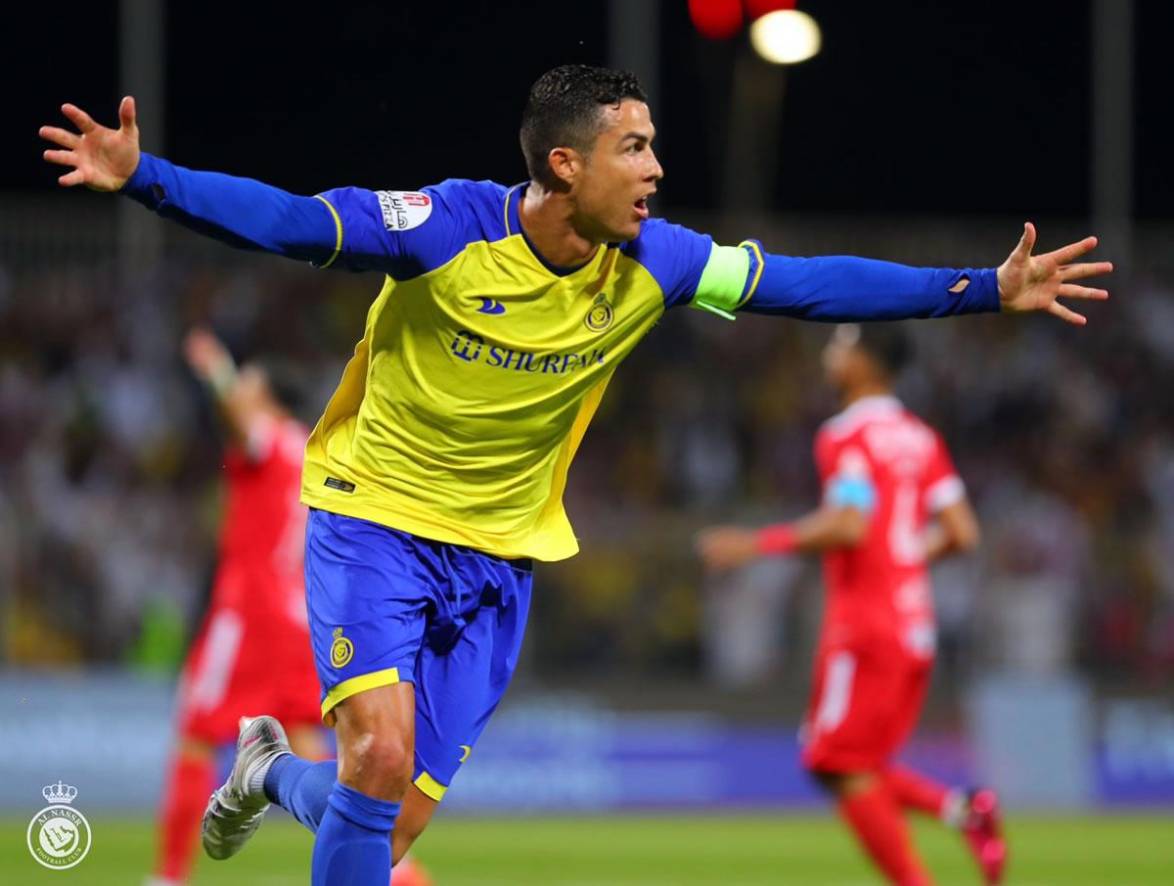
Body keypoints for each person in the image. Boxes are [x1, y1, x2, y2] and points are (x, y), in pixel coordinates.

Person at [41, 65, 1106, 885]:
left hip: (501, 556)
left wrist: (976, 288)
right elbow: (289, 220)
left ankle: (268, 773)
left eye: (653, 149)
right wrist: (147, 178)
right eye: (632, 149)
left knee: (389, 814)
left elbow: (806, 285)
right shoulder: (447, 229)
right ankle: (288, 773)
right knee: (375, 755)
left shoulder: (657, 262)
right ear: (564, 165)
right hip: (372, 523)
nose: (652, 171)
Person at [697, 322, 1006, 885]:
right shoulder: (920, 437)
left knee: (833, 761)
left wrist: (754, 544)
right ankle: (964, 812)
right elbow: (963, 531)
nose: (829, 354)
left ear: (869, 362)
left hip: (864, 624)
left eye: (841, 344)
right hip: (913, 624)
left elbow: (848, 523)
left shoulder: (844, 434)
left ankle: (933, 857)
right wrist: (903, 558)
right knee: (846, 761)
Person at [148, 328, 325, 886]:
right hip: (301, 622)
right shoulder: (311, 450)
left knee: (197, 737)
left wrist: (215, 368)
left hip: (249, 616)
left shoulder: (269, 439)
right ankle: (395, 866)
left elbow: (240, 421)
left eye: (250, 381)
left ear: (267, 395)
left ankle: (169, 878)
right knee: (308, 747)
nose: (241, 389)